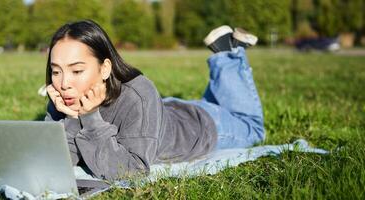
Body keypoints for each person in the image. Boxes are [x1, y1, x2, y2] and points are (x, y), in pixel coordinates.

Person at [43, 20, 264, 180]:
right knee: (219, 105)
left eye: (77, 70)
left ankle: (228, 54)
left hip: (200, 128)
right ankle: (228, 53)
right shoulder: (65, 96)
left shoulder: (138, 93)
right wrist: (71, 117)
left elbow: (132, 171)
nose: (63, 84)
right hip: (164, 113)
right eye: (56, 71)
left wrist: (89, 118)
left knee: (253, 128)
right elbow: (59, 160)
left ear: (105, 68)